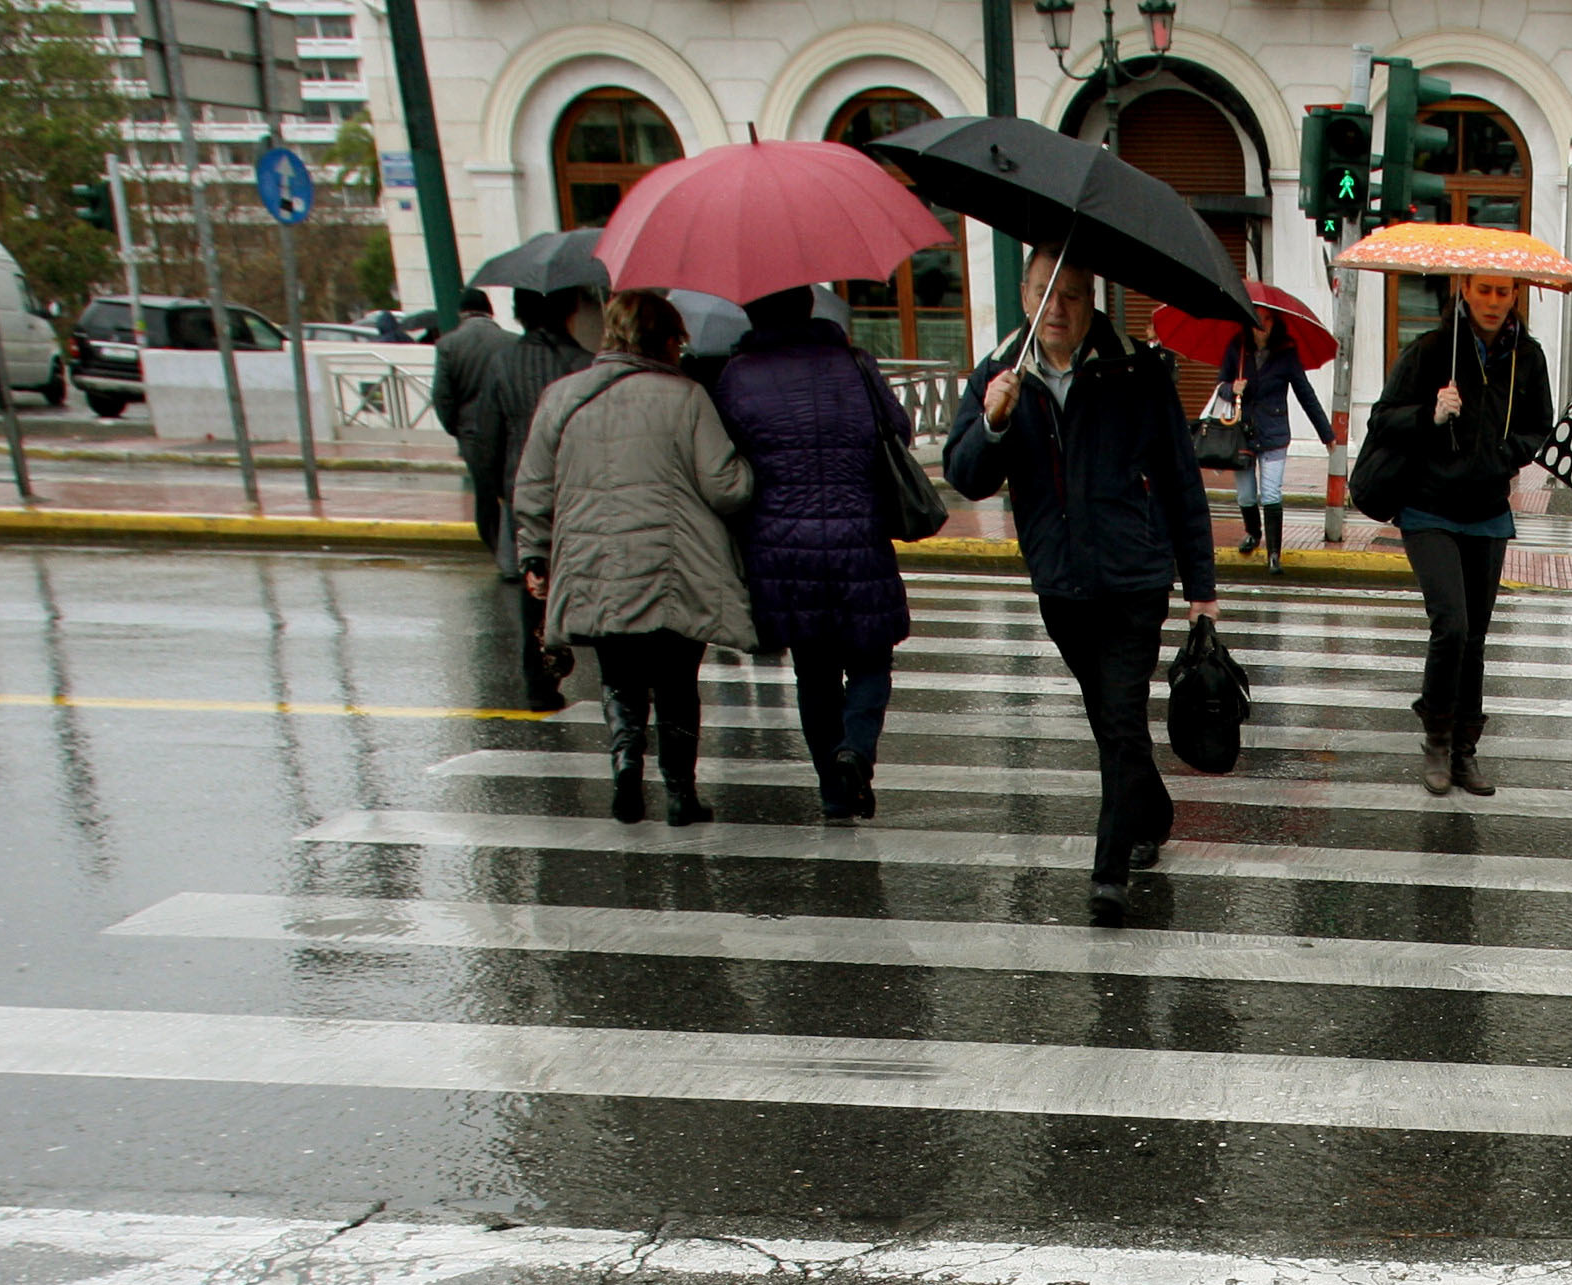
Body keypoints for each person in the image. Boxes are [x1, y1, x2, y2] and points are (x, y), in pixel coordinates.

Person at [947, 249, 1222, 922]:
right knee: (1112, 720)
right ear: (1025, 294)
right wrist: (994, 423)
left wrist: (1201, 588)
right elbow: (965, 475)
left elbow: (1182, 480)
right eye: (1047, 293)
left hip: (1134, 577)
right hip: (1061, 583)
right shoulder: (999, 374)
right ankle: (1151, 812)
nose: (1060, 309)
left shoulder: (1137, 368)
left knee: (1121, 716)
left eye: (1072, 294)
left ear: (1092, 297)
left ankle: (1110, 872)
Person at [512, 290, 754, 829]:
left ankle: (625, 766)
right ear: (665, 340)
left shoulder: (562, 397)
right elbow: (726, 488)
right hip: (675, 566)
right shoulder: (686, 397)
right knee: (675, 680)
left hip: (593, 562)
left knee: (619, 676)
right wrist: (749, 469)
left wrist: (535, 554)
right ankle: (680, 794)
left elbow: (532, 488)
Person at [713, 283, 914, 822]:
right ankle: (857, 748)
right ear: (810, 308)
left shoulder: (737, 378)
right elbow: (899, 429)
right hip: (859, 539)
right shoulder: (856, 363)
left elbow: (725, 457)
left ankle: (834, 791)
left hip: (783, 553)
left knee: (815, 675)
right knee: (872, 662)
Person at [1367, 273, 1554, 796]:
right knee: (1450, 625)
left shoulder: (1527, 357)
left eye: (1504, 291)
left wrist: (1504, 453)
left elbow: (1540, 426)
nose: (1494, 301)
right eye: (1484, 290)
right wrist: (1431, 413)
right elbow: (1382, 421)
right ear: (1465, 291)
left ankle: (1466, 749)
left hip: (1488, 509)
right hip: (1428, 507)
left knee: (1474, 638)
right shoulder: (1430, 351)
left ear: (1516, 295)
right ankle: (1436, 739)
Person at [464, 286, 598, 710]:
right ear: (571, 310)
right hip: (582, 491)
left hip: (522, 490)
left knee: (535, 590)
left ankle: (540, 683)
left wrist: (495, 492)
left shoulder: (502, 364)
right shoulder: (584, 365)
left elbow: (487, 438)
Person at [1216, 301, 1331, 572]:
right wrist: (1232, 388)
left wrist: (1326, 433)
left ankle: (1274, 553)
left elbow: (1306, 394)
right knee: (1245, 495)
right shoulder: (1237, 348)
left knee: (1270, 492)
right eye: (1257, 319)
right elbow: (1220, 385)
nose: (1262, 325)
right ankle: (1253, 533)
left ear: (1275, 323)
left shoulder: (1286, 353)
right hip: (1242, 433)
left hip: (1274, 431)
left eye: (1267, 319)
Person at [430, 287, 511, 550]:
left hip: (472, 433)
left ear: (461, 313)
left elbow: (442, 396)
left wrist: (456, 428)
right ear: (490, 311)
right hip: (507, 429)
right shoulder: (510, 341)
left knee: (485, 495)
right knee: (511, 488)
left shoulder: (448, 345)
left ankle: (495, 547)